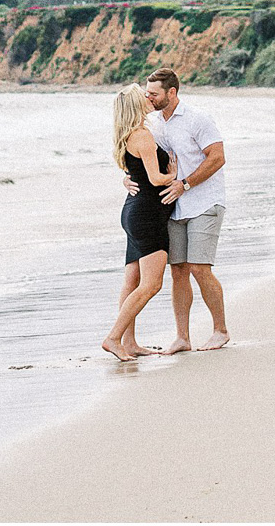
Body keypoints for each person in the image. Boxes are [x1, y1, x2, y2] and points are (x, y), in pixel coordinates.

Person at [139, 67, 229, 353]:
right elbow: (145, 158)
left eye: (153, 93)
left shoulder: (198, 119)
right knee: (178, 271)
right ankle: (182, 338)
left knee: (200, 268)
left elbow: (217, 158)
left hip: (204, 202)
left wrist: (186, 184)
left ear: (172, 92)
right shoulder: (154, 124)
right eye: (147, 93)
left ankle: (220, 331)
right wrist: (128, 176)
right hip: (175, 208)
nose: (148, 98)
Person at [102, 83, 177, 361]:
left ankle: (129, 342)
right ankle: (113, 338)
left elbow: (134, 173)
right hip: (147, 214)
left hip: (133, 211)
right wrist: (175, 174)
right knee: (151, 284)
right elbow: (156, 179)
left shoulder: (126, 136)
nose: (148, 98)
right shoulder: (142, 135)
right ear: (135, 105)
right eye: (142, 96)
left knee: (132, 281)